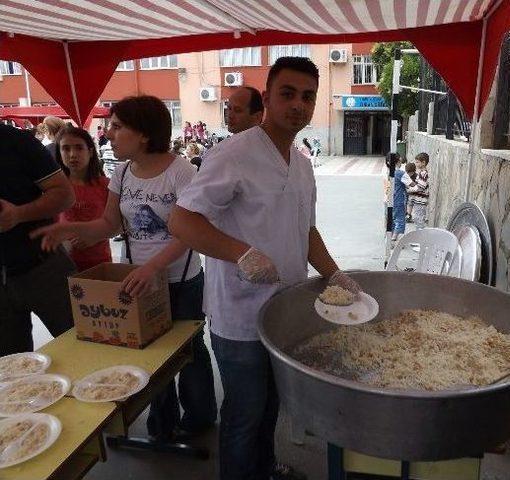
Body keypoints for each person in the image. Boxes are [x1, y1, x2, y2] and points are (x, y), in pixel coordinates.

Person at [169, 56, 361, 480]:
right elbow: (182, 220)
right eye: (288, 93)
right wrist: (241, 252)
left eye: (308, 97)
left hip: (284, 312)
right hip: (239, 316)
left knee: (271, 405)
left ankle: (263, 468)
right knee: (244, 412)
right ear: (268, 97)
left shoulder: (303, 163)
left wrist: (335, 274)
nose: (298, 104)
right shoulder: (232, 154)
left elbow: (306, 230)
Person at [32, 96, 217, 441]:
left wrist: (153, 269)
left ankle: (200, 418)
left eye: (117, 127)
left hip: (180, 280)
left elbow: (191, 234)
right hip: (136, 282)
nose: (108, 133)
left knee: (188, 351)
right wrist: (67, 229)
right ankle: (162, 424)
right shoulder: (122, 172)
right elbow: (109, 224)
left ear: (144, 134)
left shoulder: (181, 172)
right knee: (148, 352)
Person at [0, 123, 76, 355]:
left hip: (43, 265)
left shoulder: (16, 141)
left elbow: (64, 195)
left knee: (85, 347)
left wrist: (18, 214)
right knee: (12, 371)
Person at [56, 126, 112, 271]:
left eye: (79, 148)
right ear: (59, 153)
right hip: (63, 264)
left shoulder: (106, 185)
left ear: (91, 151)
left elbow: (119, 224)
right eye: (66, 149)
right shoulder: (54, 188)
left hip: (100, 262)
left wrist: (95, 237)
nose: (72, 154)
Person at [390, 154, 413, 242]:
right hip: (399, 199)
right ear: (398, 161)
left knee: (391, 218)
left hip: (389, 198)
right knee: (400, 218)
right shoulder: (400, 173)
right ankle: (394, 238)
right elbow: (412, 185)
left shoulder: (388, 171)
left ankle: (390, 236)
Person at [407, 153, 429, 230]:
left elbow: (420, 187)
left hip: (421, 201)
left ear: (423, 162)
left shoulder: (423, 174)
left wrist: (409, 190)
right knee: (417, 219)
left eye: (417, 162)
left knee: (419, 220)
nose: (415, 164)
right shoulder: (420, 173)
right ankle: (419, 236)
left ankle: (421, 237)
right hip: (418, 200)